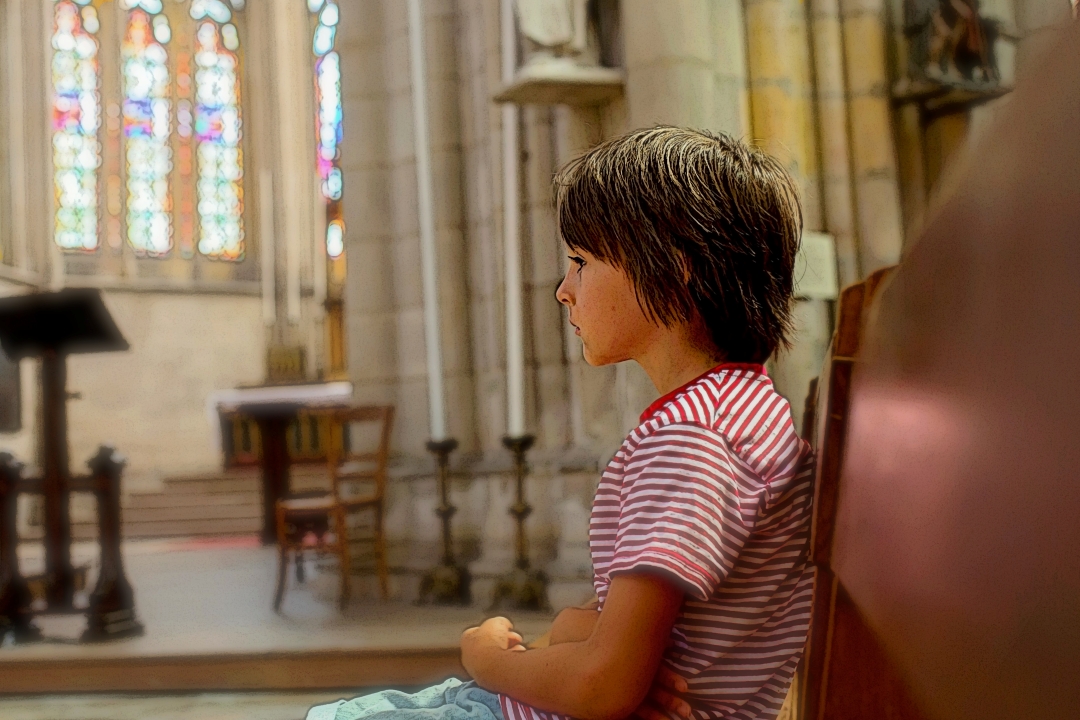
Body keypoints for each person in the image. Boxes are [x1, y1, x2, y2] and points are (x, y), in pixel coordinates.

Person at [307, 127, 815, 720]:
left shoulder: (691, 439)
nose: (562, 291)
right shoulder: (752, 413)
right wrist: (587, 636)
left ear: (674, 270)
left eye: (580, 262)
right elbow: (633, 640)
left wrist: (486, 658)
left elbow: (602, 685)